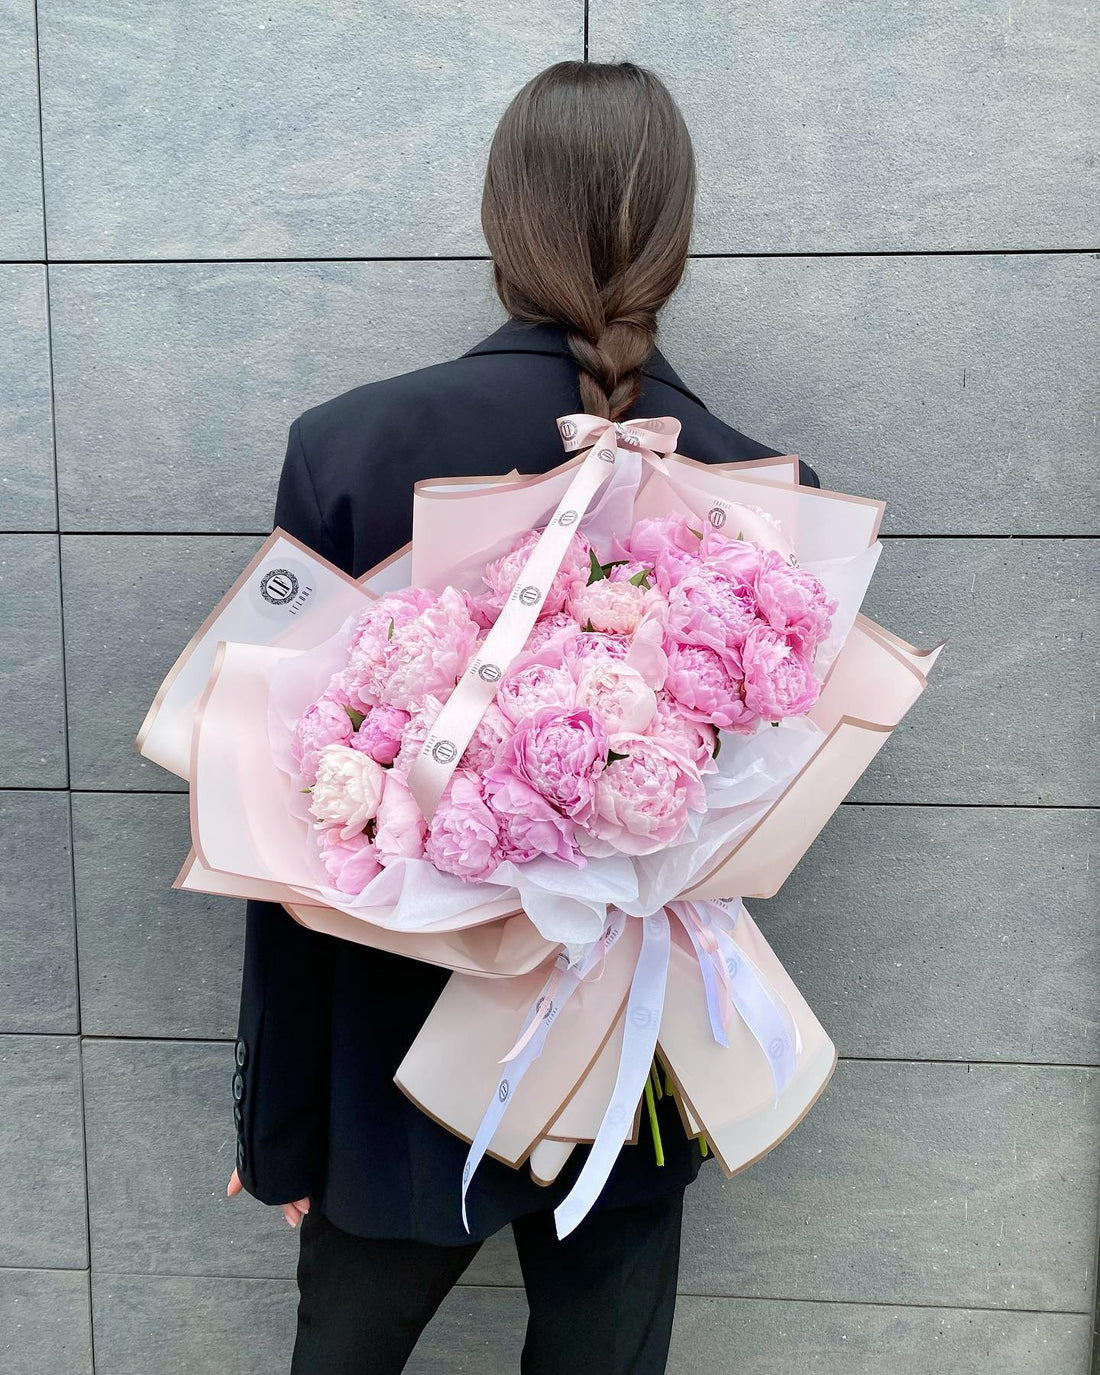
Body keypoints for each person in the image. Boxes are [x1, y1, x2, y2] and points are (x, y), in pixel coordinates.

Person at [225, 59, 820, 1374]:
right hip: (628, 1061)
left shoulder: (352, 448)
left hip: (389, 1057)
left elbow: (281, 813)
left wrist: (281, 1130)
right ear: (673, 230)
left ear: (503, 219)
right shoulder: (767, 492)